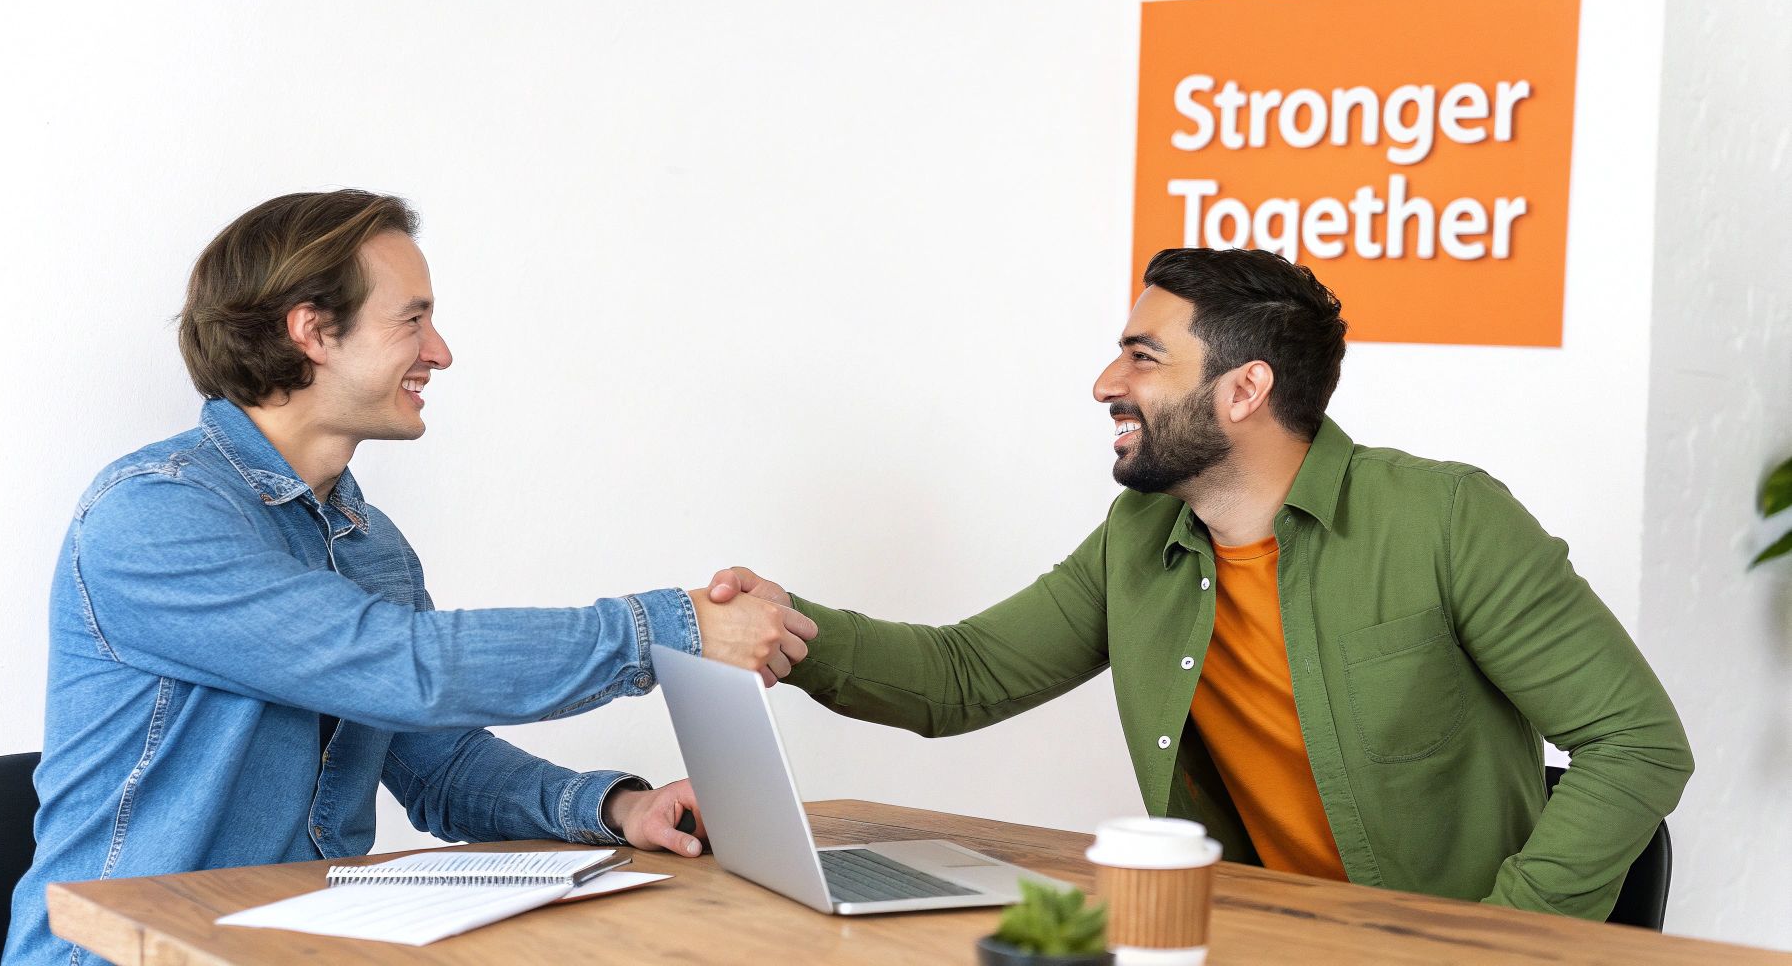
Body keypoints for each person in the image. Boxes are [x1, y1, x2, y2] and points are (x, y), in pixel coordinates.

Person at [706, 247, 1692, 921]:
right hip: (1258, 935)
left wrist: (1502, 937)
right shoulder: (1142, 534)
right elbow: (963, 674)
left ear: (1243, 388)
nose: (1103, 382)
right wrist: (786, 628)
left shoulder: (1444, 518)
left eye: (1142, 356)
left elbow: (1636, 744)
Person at [6, 190, 817, 965]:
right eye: (414, 319)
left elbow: (440, 765)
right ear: (313, 331)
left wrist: (616, 809)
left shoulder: (370, 545)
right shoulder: (153, 515)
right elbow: (402, 667)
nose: (441, 352)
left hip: (291, 945)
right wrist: (671, 628)